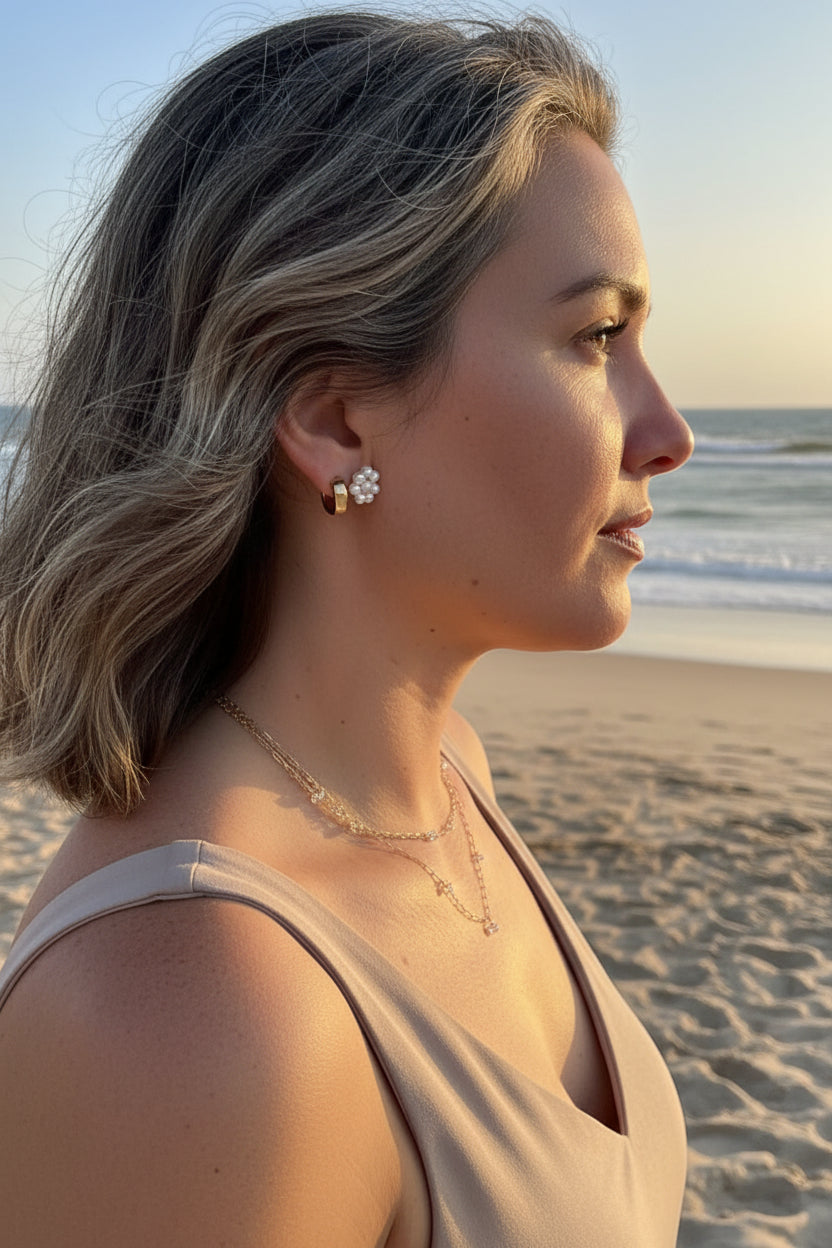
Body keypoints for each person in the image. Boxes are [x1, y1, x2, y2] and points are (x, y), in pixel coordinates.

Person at [0, 12, 694, 1246]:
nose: (668, 432)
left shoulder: (444, 780)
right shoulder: (190, 1020)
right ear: (332, 420)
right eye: (596, 338)